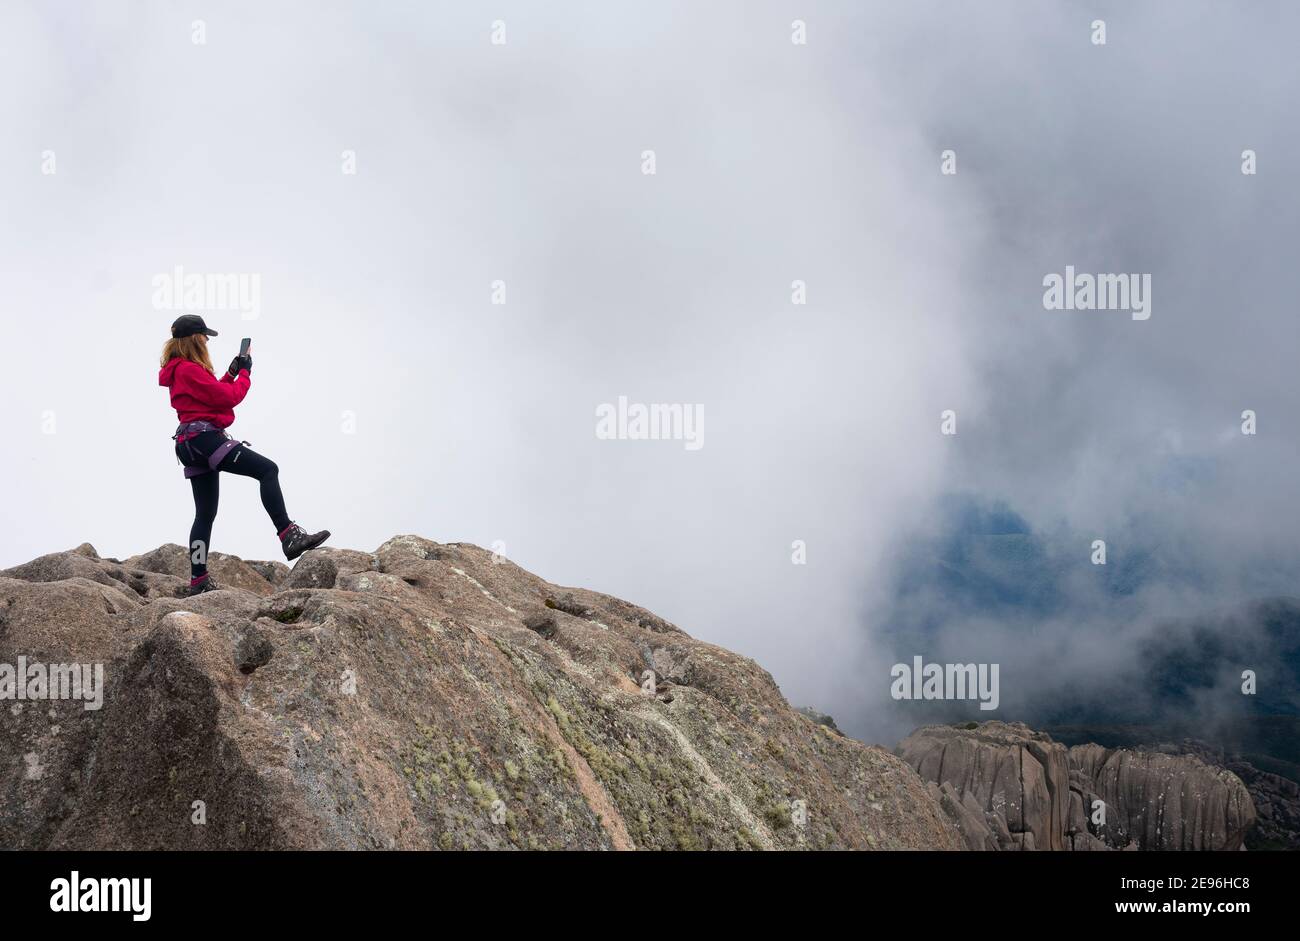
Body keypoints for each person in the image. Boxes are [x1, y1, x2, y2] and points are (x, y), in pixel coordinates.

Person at [159, 314, 329, 596]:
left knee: (204, 513)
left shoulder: (181, 370)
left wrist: (231, 373)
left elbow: (210, 393)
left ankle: (198, 580)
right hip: (204, 438)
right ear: (195, 339)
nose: (207, 341)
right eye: (204, 336)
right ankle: (288, 535)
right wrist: (247, 373)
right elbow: (227, 398)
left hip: (188, 442)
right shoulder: (189, 369)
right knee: (267, 470)